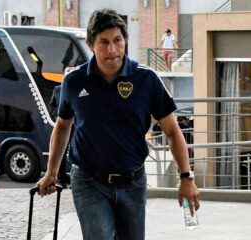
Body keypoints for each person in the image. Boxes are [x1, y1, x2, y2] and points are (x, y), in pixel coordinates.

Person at [37, 9, 199, 239]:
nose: (112, 50)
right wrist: (51, 172)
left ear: (125, 41)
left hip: (133, 183)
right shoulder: (74, 81)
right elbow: (63, 126)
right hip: (89, 181)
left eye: (117, 40)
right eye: (104, 42)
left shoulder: (146, 79)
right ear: (90, 43)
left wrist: (186, 178)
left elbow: (172, 131)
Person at [48, 66, 76, 187]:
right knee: (61, 150)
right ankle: (62, 178)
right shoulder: (57, 89)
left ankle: (75, 177)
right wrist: (60, 115)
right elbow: (52, 106)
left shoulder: (79, 88)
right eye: (68, 72)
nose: (70, 74)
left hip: (77, 126)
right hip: (63, 124)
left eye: (72, 72)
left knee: (76, 149)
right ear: (64, 76)